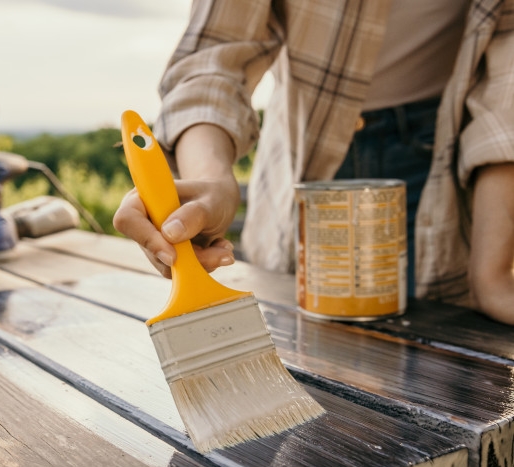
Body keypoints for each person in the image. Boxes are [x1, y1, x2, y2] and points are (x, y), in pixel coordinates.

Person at [113, 0, 514, 325]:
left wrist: (491, 273)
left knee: (438, 360)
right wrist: (210, 178)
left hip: (452, 159)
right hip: (302, 158)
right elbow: (214, 56)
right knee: (304, 347)